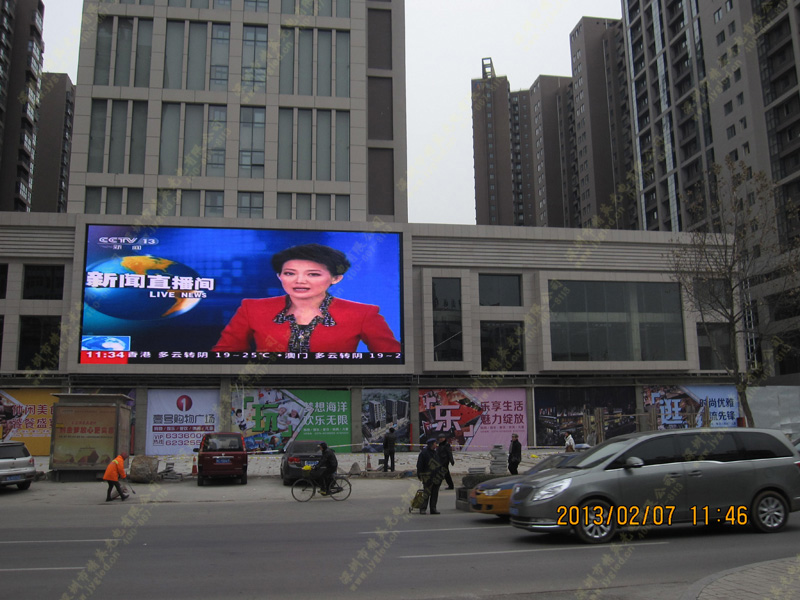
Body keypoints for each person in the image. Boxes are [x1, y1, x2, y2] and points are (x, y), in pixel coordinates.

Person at [213, 243, 401, 353]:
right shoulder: (252, 308)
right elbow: (223, 355)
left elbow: (393, 358)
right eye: (289, 273)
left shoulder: (363, 313)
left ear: (336, 278)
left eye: (313, 274)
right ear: (279, 276)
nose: (299, 281)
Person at [416, 439, 444, 514]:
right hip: (428, 477)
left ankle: (433, 509)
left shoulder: (436, 453)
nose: (436, 445)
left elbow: (440, 464)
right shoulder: (424, 453)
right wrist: (420, 474)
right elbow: (419, 465)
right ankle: (423, 508)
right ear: (431, 444)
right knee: (426, 493)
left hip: (436, 476)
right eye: (435, 443)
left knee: (435, 493)